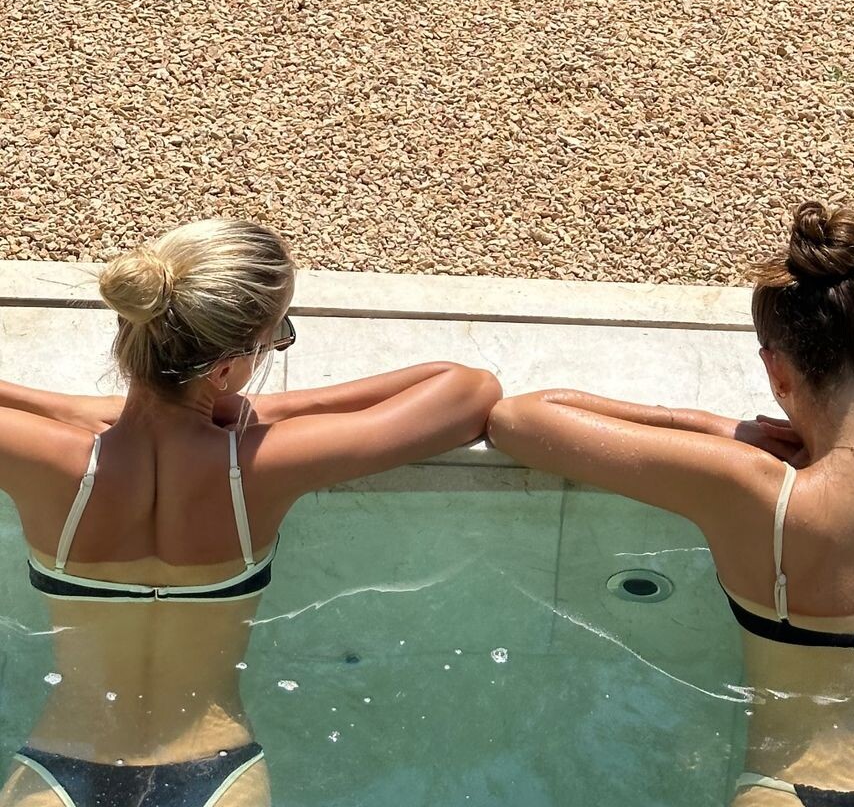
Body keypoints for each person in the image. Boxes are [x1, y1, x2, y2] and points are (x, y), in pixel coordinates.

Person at [487, 199, 854, 807]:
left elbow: (518, 418)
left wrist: (712, 426)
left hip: (786, 787)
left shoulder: (749, 489)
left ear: (777, 373)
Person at [0, 218, 500, 807]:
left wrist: (69, 409)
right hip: (214, 765)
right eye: (276, 338)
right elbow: (467, 389)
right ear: (225, 369)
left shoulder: (44, 459)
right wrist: (264, 411)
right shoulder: (264, 464)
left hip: (63, 757)